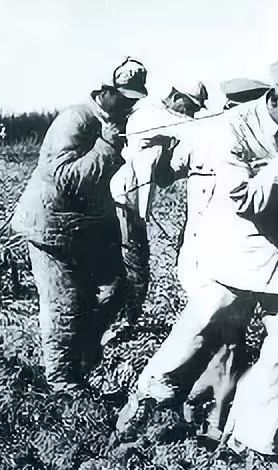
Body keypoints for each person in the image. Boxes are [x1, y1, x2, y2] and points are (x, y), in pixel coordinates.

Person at [116, 60, 278, 461]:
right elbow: (247, 200)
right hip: (238, 255)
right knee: (199, 334)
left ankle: (251, 446)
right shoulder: (231, 130)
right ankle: (145, 409)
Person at [10, 57, 147, 394]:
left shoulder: (114, 122)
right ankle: (61, 382)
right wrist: (107, 145)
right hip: (51, 228)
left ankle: (82, 354)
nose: (130, 104)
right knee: (64, 303)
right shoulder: (76, 119)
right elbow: (67, 179)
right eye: (124, 97)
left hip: (85, 229)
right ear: (103, 92)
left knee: (114, 288)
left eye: (134, 99)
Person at [108, 79, 204, 326]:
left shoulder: (163, 123)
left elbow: (163, 176)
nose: (191, 112)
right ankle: (122, 325)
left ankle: (124, 322)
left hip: (132, 202)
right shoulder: (153, 116)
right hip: (124, 200)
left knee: (134, 263)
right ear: (175, 95)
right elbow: (196, 128)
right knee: (134, 265)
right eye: (190, 106)